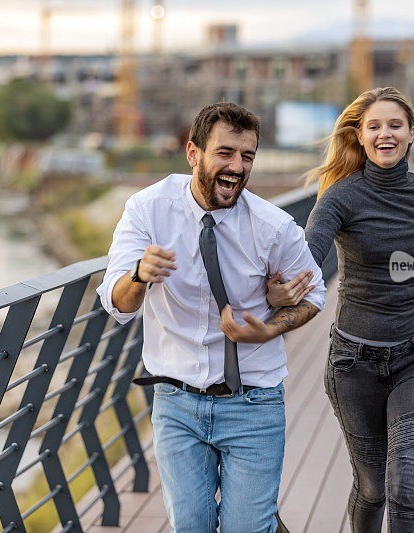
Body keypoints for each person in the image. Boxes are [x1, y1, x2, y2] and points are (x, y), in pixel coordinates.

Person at [97, 101, 326, 533]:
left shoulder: (273, 226)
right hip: (176, 402)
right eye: (225, 153)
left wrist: (271, 327)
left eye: (247, 156)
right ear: (193, 154)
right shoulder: (148, 210)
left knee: (247, 528)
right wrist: (139, 274)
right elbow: (118, 302)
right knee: (192, 527)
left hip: (254, 402)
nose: (237, 167)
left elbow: (315, 291)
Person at [268, 87, 414, 532]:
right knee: (373, 488)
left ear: (411, 134)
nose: (385, 133)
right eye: (375, 126)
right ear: (360, 137)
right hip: (353, 363)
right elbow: (310, 252)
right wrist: (287, 286)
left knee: (406, 487)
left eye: (395, 125)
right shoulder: (339, 198)